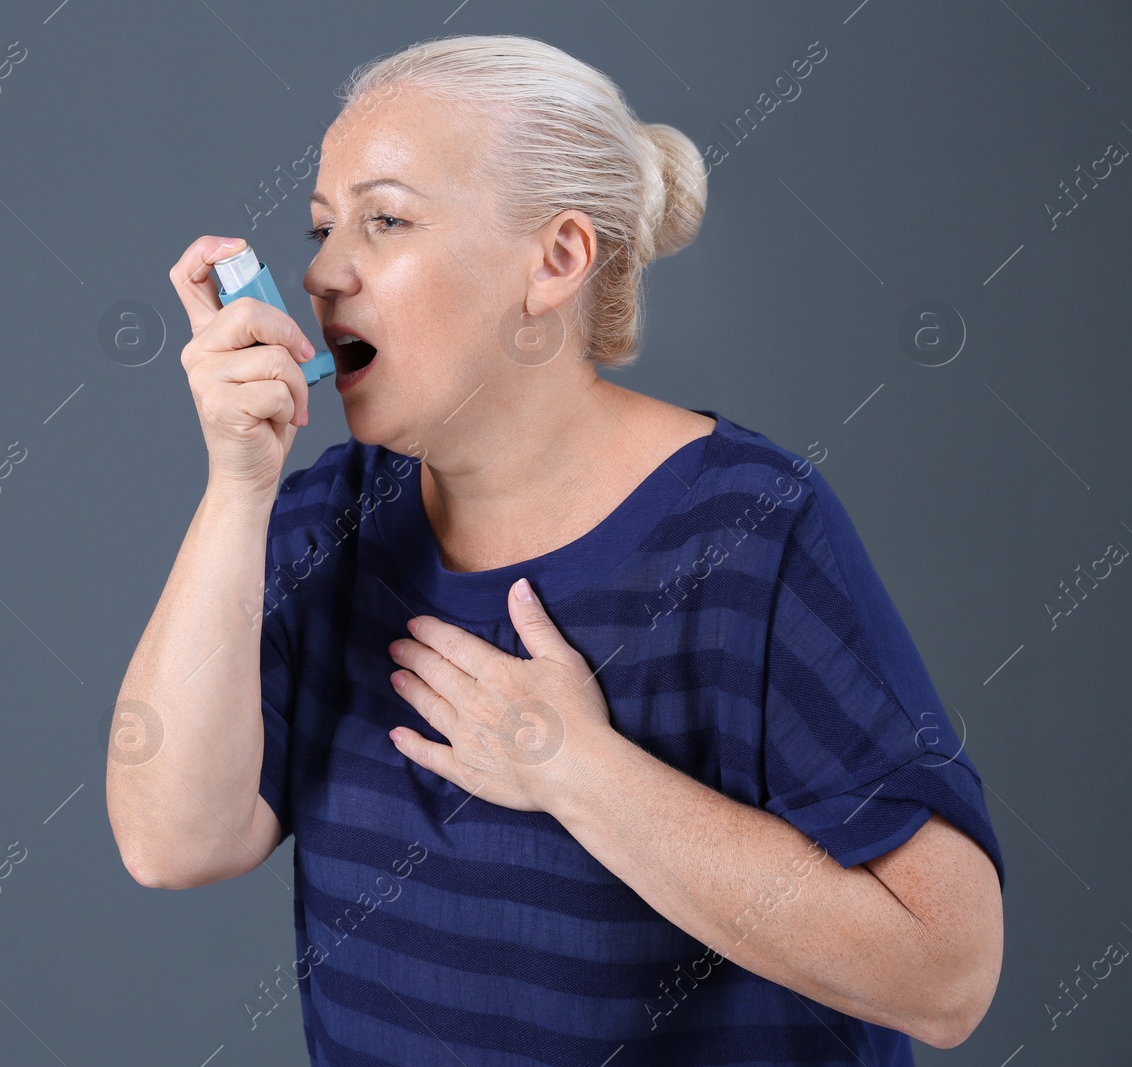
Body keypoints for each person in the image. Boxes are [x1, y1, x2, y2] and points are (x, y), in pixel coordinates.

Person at [107, 32, 1004, 1067]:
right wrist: (237, 484)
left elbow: (945, 976)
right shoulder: (326, 518)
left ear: (556, 260)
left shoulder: (747, 525)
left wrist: (578, 769)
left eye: (384, 219)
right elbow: (173, 841)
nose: (319, 271)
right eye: (320, 226)